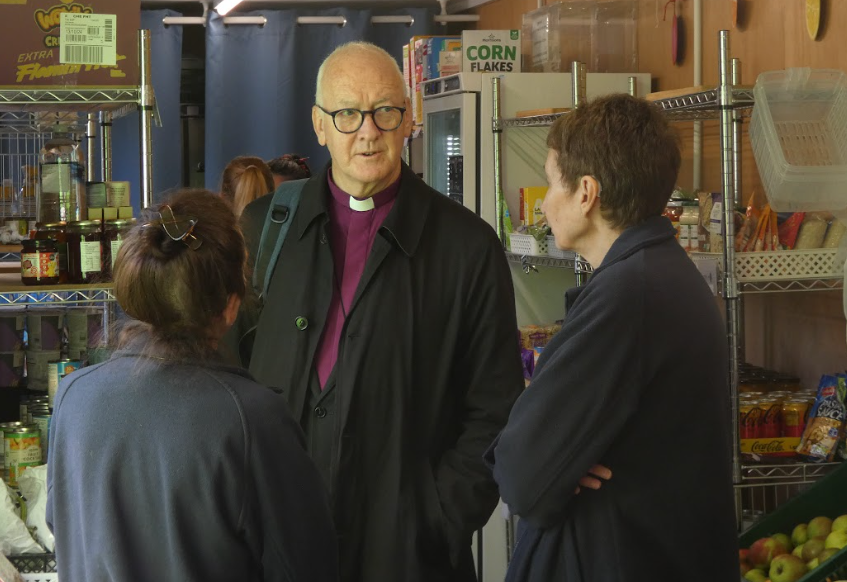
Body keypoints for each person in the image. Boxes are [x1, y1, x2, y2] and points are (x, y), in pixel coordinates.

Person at [237, 41, 524, 582]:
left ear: (409, 119)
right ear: (320, 125)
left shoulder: (467, 247)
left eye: (384, 111)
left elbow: (494, 410)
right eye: (347, 113)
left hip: (407, 555)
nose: (367, 131)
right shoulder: (263, 229)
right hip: (274, 543)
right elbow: (223, 376)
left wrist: (435, 520)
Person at [486, 94, 739, 582]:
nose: (545, 200)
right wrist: (557, 460)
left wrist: (547, 460)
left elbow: (521, 475)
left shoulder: (627, 296)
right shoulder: (657, 274)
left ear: (586, 193)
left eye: (550, 181)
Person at [46, 189, 338, 582]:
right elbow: (307, 566)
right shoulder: (251, 419)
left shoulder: (73, 396)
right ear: (232, 304)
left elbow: (60, 524)